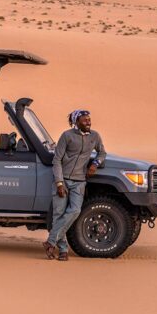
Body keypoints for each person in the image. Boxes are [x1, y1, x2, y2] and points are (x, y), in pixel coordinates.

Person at [43, 109, 106, 261]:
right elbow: (56, 160)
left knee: (75, 211)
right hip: (62, 180)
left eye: (89, 120)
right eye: (85, 120)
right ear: (76, 122)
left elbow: (102, 153)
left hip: (79, 182)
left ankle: (50, 242)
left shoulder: (95, 136)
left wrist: (95, 164)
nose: (88, 122)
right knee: (59, 215)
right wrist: (59, 182)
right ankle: (63, 250)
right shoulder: (67, 136)